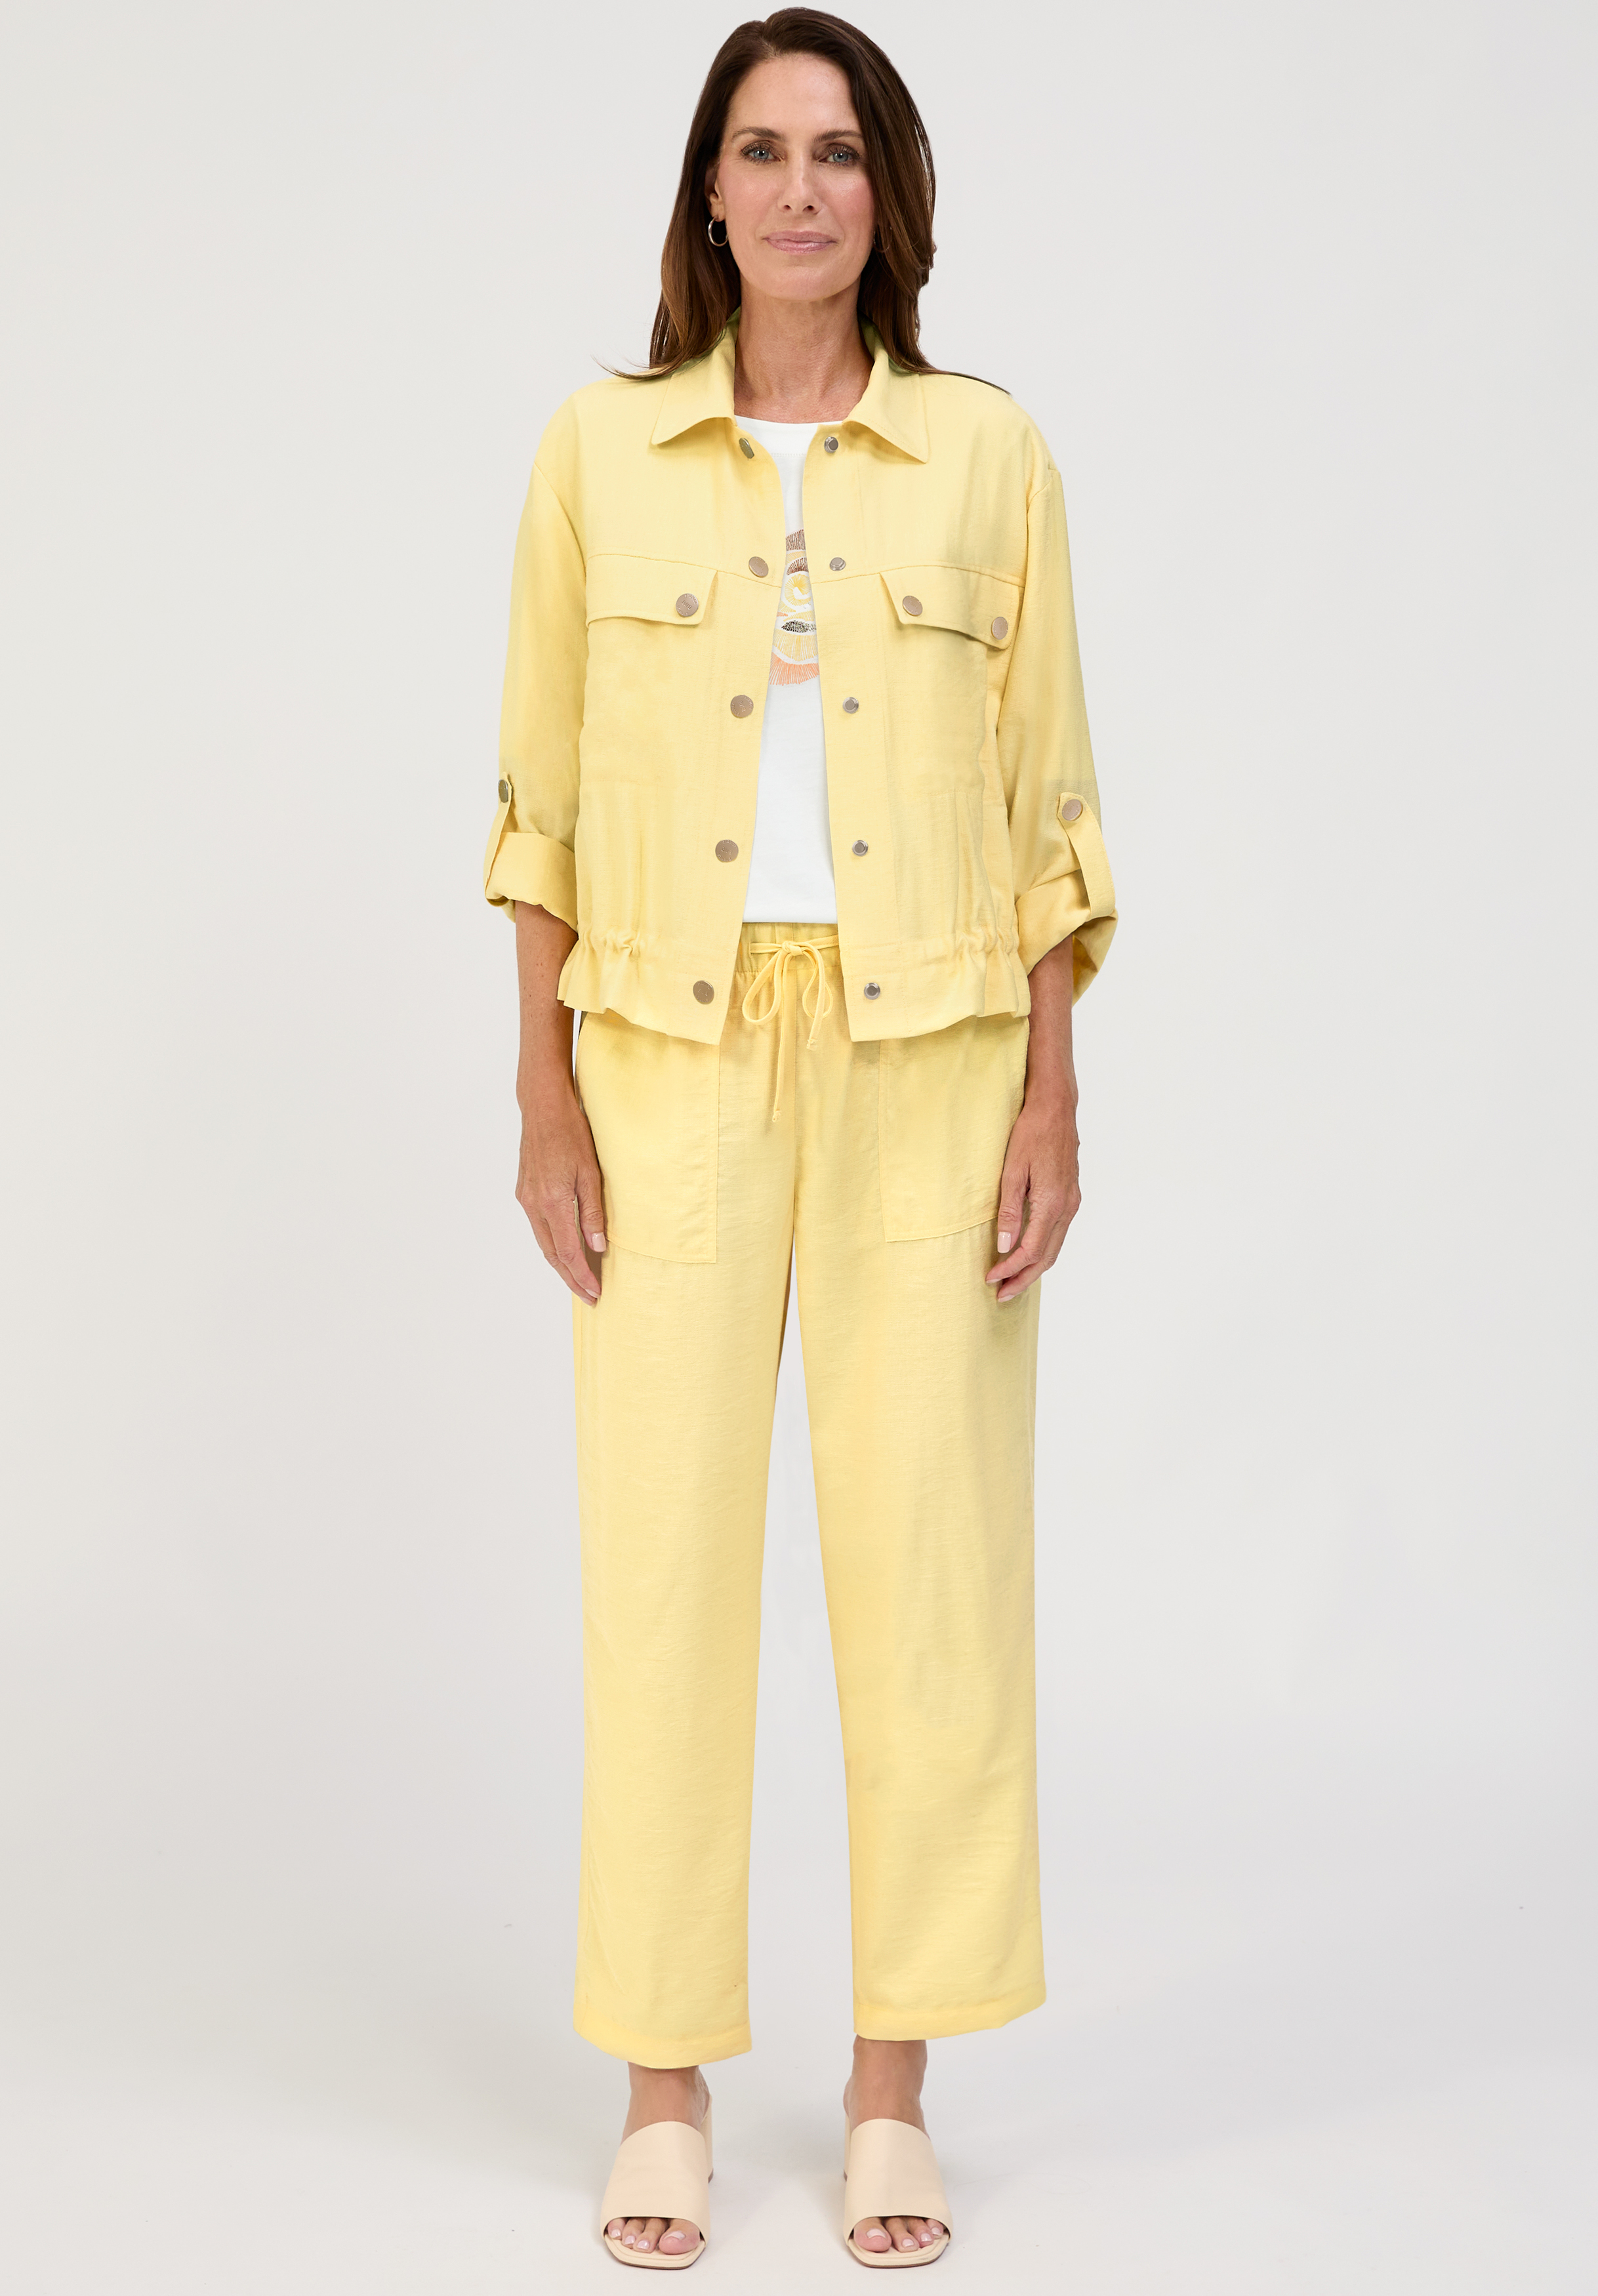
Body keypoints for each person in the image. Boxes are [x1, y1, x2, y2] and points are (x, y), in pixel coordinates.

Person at [483, 7, 1117, 2269]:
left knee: (927, 1574)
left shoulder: (985, 455)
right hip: (659, 1055)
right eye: (758, 150)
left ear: (887, 194)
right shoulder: (597, 450)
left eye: (837, 152)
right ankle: (660, 2081)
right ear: (708, 192)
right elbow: (534, 801)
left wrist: (1051, 1085)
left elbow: (1050, 807)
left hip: (929, 1051)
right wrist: (539, 1089)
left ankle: (887, 2088)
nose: (796, 190)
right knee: (661, 1570)